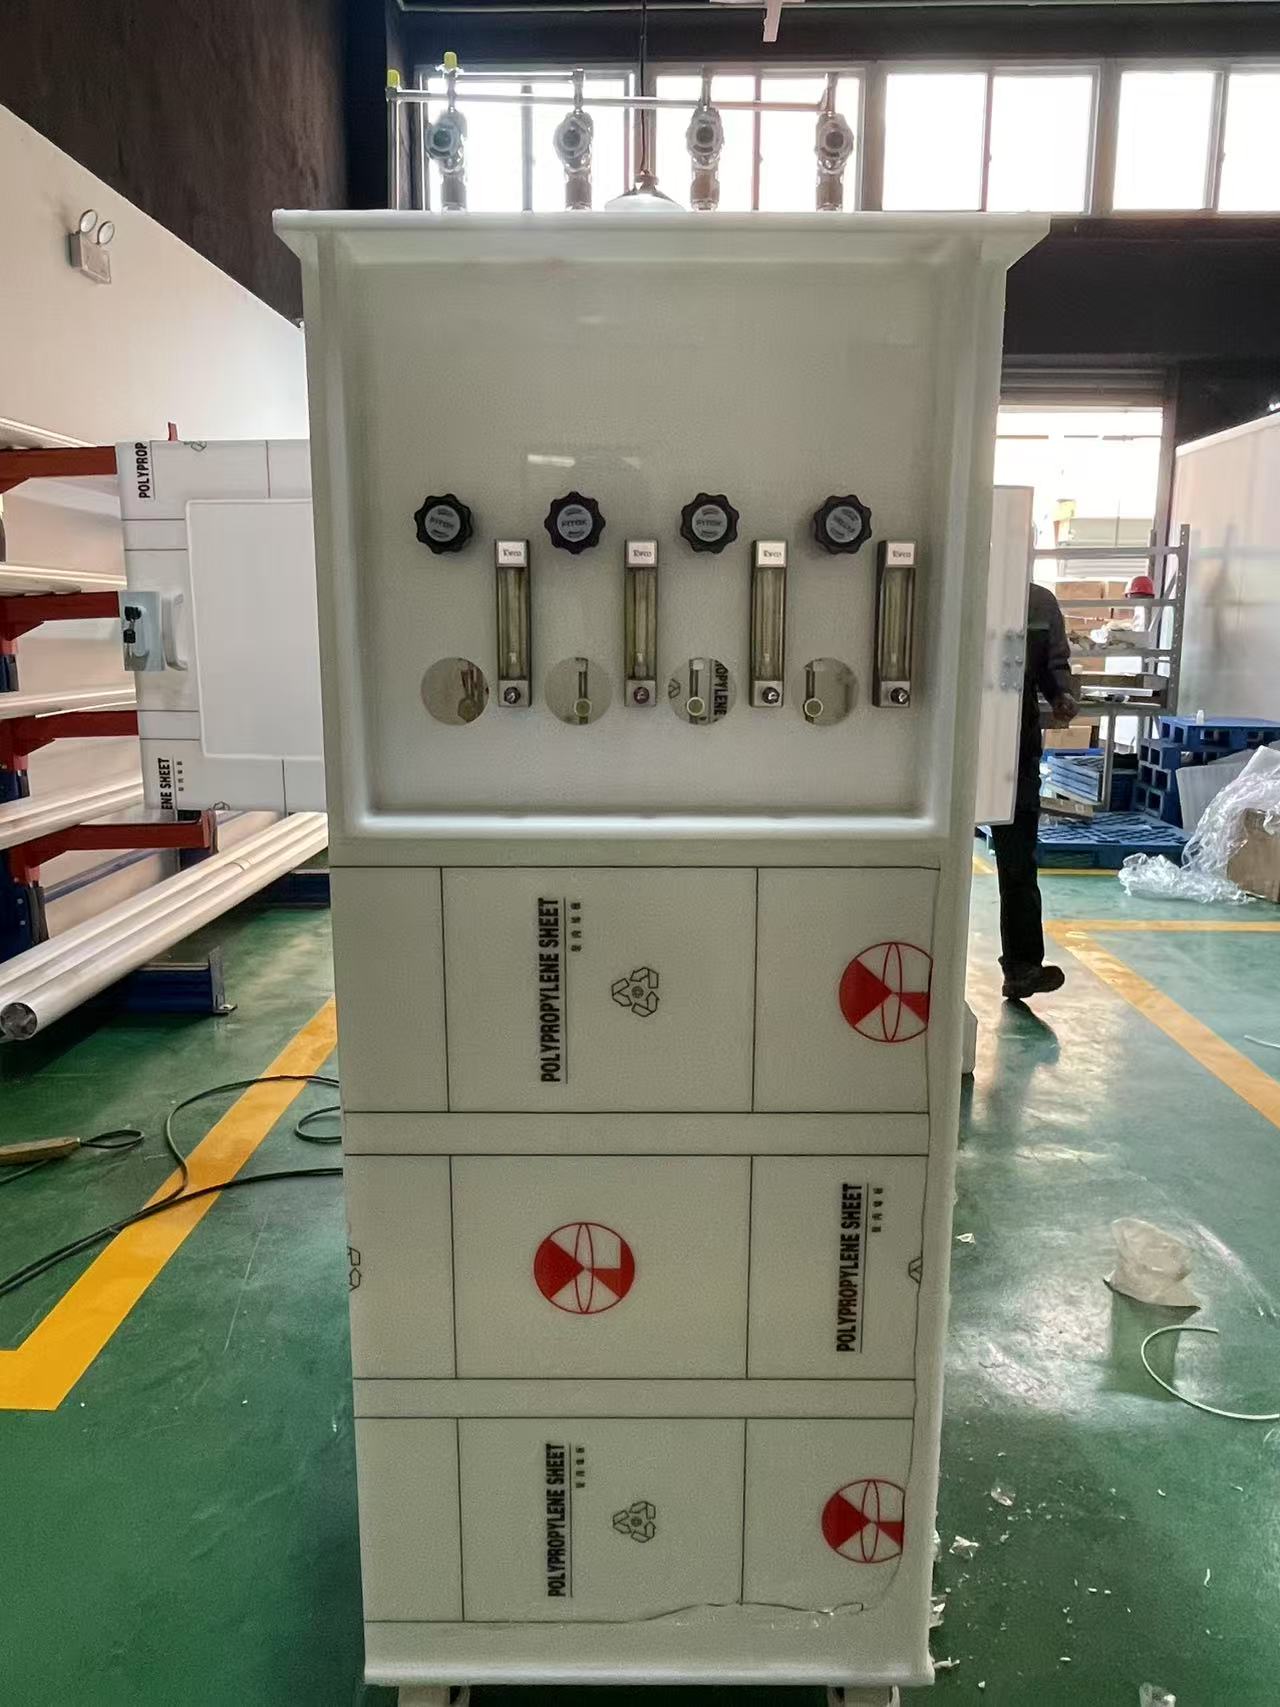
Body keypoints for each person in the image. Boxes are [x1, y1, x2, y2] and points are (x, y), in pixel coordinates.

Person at [990, 580, 1078, 1001]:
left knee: (1019, 859)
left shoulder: (1039, 601)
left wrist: (1062, 694)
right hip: (954, 739)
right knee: (940, 852)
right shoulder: (959, 576)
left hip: (1014, 746)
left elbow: (1054, 665)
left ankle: (1023, 968)